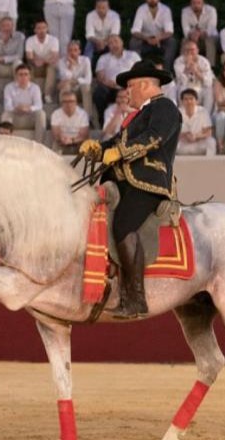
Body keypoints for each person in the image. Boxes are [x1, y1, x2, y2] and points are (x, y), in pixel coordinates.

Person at [79, 60, 180, 319]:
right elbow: (116, 143)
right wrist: (98, 150)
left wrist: (119, 152)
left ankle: (136, 299)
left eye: (130, 86)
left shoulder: (165, 108)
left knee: (123, 226)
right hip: (124, 183)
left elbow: (153, 138)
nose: (126, 92)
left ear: (145, 84)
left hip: (148, 183)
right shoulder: (135, 117)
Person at [93, 36, 141, 125]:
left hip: (129, 86)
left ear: (122, 42)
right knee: (99, 92)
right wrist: (109, 83)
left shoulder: (133, 55)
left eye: (116, 41)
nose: (114, 45)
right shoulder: (103, 58)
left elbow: (140, 71)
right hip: (111, 87)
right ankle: (103, 121)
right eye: (110, 43)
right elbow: (100, 76)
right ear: (108, 46)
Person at [2, 64, 46, 143]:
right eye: (21, 74)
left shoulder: (35, 88)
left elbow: (39, 105)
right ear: (16, 76)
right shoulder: (9, 87)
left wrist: (29, 108)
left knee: (41, 114)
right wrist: (17, 108)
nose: (23, 77)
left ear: (30, 76)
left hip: (30, 117)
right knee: (6, 115)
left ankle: (39, 144)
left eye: (26, 74)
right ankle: (6, 143)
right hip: (15, 116)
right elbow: (7, 106)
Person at [0, 16, 25, 104]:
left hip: (12, 65)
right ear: (0, 27)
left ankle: (18, 91)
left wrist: (2, 58)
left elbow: (19, 55)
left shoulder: (20, 36)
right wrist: (1, 42)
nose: (6, 28)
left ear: (13, 26)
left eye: (8, 25)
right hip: (0, 67)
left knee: (19, 63)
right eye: (4, 26)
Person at [129, 0, 177, 68]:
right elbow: (135, 31)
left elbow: (169, 31)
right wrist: (147, 39)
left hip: (161, 41)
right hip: (145, 40)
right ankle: (138, 68)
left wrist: (159, 38)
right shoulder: (141, 9)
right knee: (133, 42)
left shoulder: (166, 10)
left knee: (172, 42)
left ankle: (166, 69)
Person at [57, 40, 95, 127]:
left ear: (79, 51)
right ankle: (63, 117)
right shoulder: (62, 62)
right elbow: (64, 78)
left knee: (86, 87)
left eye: (75, 50)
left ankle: (88, 118)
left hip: (81, 90)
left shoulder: (86, 60)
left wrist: (75, 81)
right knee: (65, 87)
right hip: (69, 89)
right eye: (70, 50)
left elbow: (88, 80)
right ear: (67, 52)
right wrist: (71, 66)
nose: (72, 53)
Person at [173, 40, 214, 112]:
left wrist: (196, 72)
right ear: (183, 51)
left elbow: (208, 81)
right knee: (180, 88)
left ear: (197, 50)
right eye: (187, 50)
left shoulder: (204, 61)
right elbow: (181, 80)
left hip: (200, 87)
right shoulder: (178, 61)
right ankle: (182, 113)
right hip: (185, 86)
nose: (189, 52)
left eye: (192, 50)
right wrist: (187, 67)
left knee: (209, 90)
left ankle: (206, 114)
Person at [25, 19, 59, 104]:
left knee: (52, 67)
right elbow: (29, 57)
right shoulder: (30, 40)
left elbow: (54, 57)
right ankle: (32, 95)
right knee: (29, 67)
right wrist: (35, 60)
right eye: (39, 28)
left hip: (48, 65)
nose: (42, 30)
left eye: (44, 28)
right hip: (35, 66)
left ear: (47, 29)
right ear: (35, 30)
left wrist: (41, 61)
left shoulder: (53, 40)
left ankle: (47, 95)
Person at [177, 88, 215, 155]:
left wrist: (196, 136)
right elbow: (173, 133)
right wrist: (185, 135)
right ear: (182, 101)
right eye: (186, 99)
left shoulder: (203, 111)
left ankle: (209, 162)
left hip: (198, 144)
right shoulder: (177, 113)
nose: (189, 101)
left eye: (191, 99)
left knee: (211, 142)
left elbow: (208, 132)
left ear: (196, 101)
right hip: (183, 145)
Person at [50, 90, 90, 154]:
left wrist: (72, 140)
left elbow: (84, 135)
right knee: (55, 145)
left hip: (78, 142)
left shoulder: (83, 114)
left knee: (86, 144)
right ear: (61, 103)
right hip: (62, 142)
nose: (68, 104)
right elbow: (56, 133)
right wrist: (62, 138)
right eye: (65, 102)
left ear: (76, 102)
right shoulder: (56, 114)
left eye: (71, 101)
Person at [180, 0, 217, 67]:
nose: (196, 5)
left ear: (203, 3)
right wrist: (192, 35)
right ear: (190, 3)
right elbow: (185, 29)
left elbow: (211, 28)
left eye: (198, 3)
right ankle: (182, 65)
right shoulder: (185, 11)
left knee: (209, 40)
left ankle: (210, 67)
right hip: (193, 36)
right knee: (185, 41)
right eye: (194, 3)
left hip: (209, 36)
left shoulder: (211, 10)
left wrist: (199, 34)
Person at [84, 0, 120, 66]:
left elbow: (114, 33)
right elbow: (89, 34)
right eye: (99, 7)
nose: (101, 10)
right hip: (94, 41)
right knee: (89, 46)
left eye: (103, 7)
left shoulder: (115, 16)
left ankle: (114, 67)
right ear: (95, 7)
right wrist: (98, 42)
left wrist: (104, 42)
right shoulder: (90, 15)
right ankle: (87, 67)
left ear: (108, 8)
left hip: (109, 40)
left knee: (115, 43)